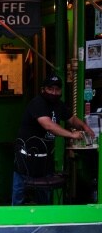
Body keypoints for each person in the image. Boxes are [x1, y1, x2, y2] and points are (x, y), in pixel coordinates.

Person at [12, 74, 95, 206]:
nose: (54, 92)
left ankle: (44, 223)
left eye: (57, 89)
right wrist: (72, 135)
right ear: (43, 89)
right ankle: (14, 222)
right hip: (26, 156)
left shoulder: (58, 104)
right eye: (50, 89)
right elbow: (48, 125)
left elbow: (71, 119)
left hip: (45, 158)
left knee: (44, 197)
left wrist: (84, 126)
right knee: (19, 195)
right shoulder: (37, 103)